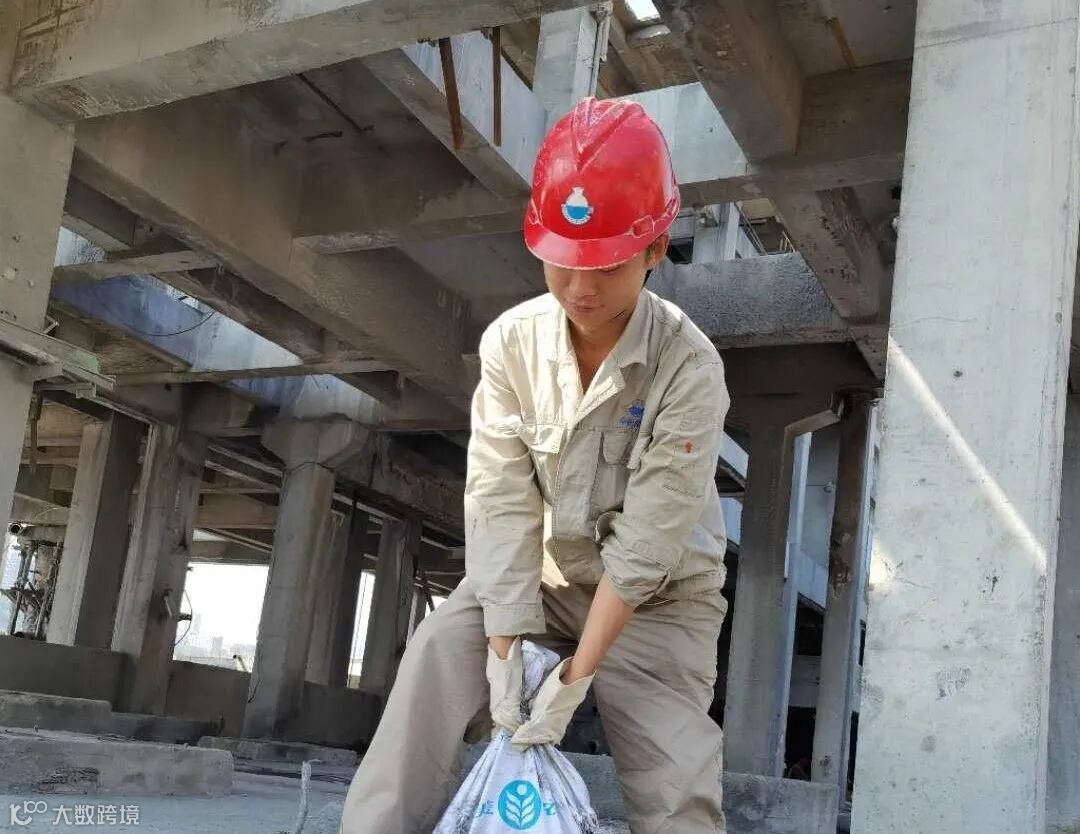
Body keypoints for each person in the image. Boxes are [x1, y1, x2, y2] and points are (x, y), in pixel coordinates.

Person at [341, 97, 731, 834]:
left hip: (657, 599)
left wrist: (572, 681)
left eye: (606, 265)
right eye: (563, 261)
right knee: (436, 658)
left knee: (675, 781)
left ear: (655, 249)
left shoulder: (689, 367)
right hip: (543, 582)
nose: (581, 287)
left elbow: (646, 547)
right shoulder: (510, 344)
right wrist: (504, 658)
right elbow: (501, 503)